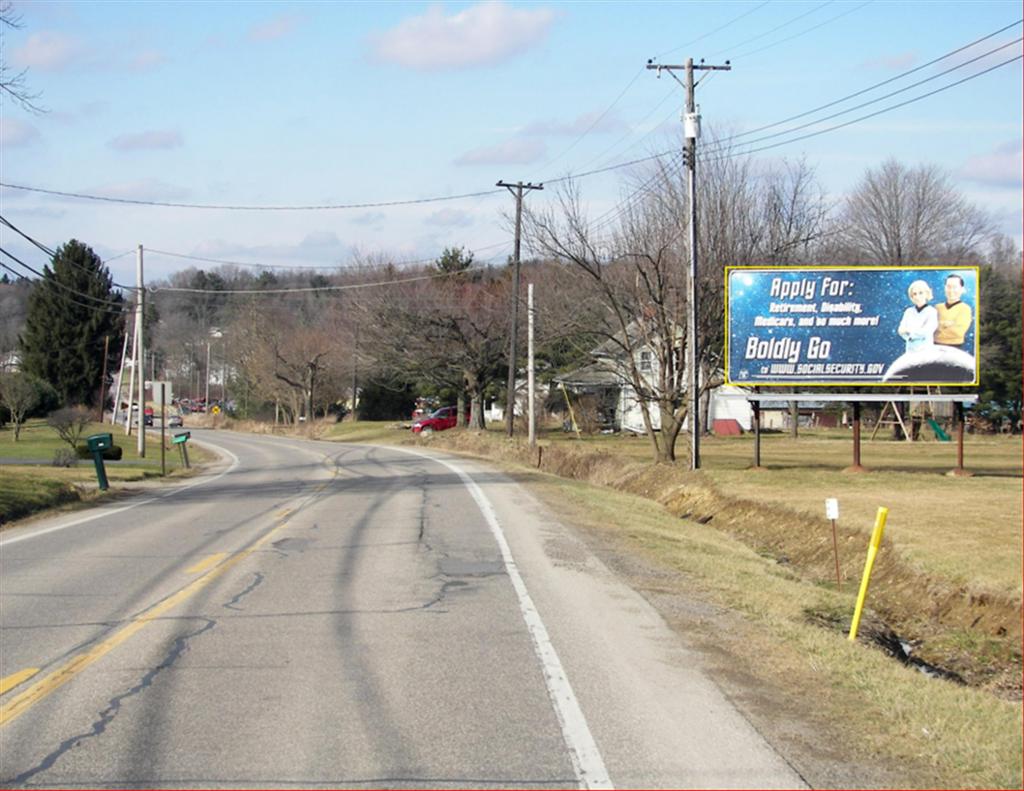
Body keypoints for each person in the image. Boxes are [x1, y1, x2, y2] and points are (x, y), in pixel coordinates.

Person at [897, 280, 938, 353]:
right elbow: (901, 330)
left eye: (920, 293)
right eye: (914, 294)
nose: (917, 296)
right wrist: (909, 336)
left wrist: (910, 332)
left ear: (927, 293)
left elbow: (927, 331)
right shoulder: (908, 311)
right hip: (910, 351)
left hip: (925, 352)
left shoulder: (931, 311)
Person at [934, 274, 972, 347]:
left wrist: (939, 326)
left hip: (954, 347)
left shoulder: (965, 309)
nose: (951, 290)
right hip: (934, 346)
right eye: (948, 287)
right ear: (945, 288)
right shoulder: (937, 308)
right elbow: (930, 328)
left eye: (955, 287)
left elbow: (958, 332)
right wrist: (948, 324)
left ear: (961, 289)